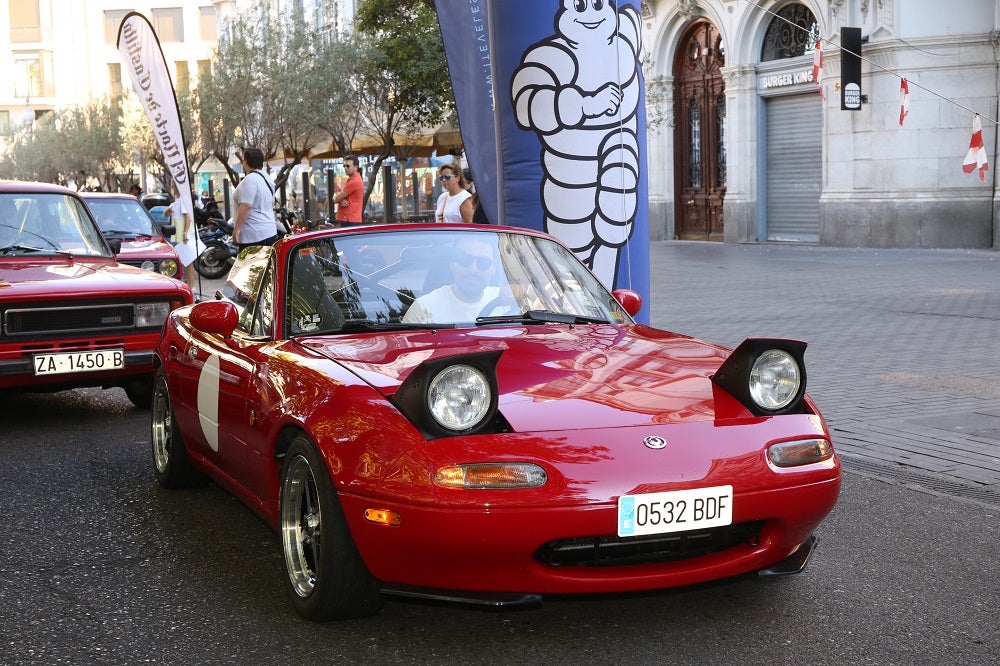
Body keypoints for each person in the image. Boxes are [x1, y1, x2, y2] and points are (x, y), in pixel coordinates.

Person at [402, 237, 502, 323]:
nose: (473, 270)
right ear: (452, 263)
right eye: (465, 259)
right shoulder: (424, 309)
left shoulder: (507, 299)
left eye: (483, 262)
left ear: (494, 267)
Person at [233, 147, 278, 249]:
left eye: (244, 159)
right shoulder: (268, 178)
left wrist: (237, 230)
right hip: (270, 232)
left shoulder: (250, 179)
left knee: (250, 265)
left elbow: (246, 205)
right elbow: (272, 203)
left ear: (246, 162)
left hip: (253, 236)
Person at [164, 179, 198, 286]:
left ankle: (191, 287)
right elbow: (165, 214)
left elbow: (187, 217)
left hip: (183, 236)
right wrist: (170, 208)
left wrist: (185, 234)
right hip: (178, 236)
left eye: (172, 186)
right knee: (184, 262)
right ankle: (188, 285)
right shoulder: (177, 201)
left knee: (188, 262)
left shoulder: (183, 200)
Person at [333, 155, 364, 226]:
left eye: (348, 166)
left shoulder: (354, 181)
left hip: (350, 220)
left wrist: (338, 199)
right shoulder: (353, 179)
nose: (345, 168)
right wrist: (340, 199)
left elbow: (336, 199)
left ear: (356, 167)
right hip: (350, 219)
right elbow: (337, 197)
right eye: (344, 166)